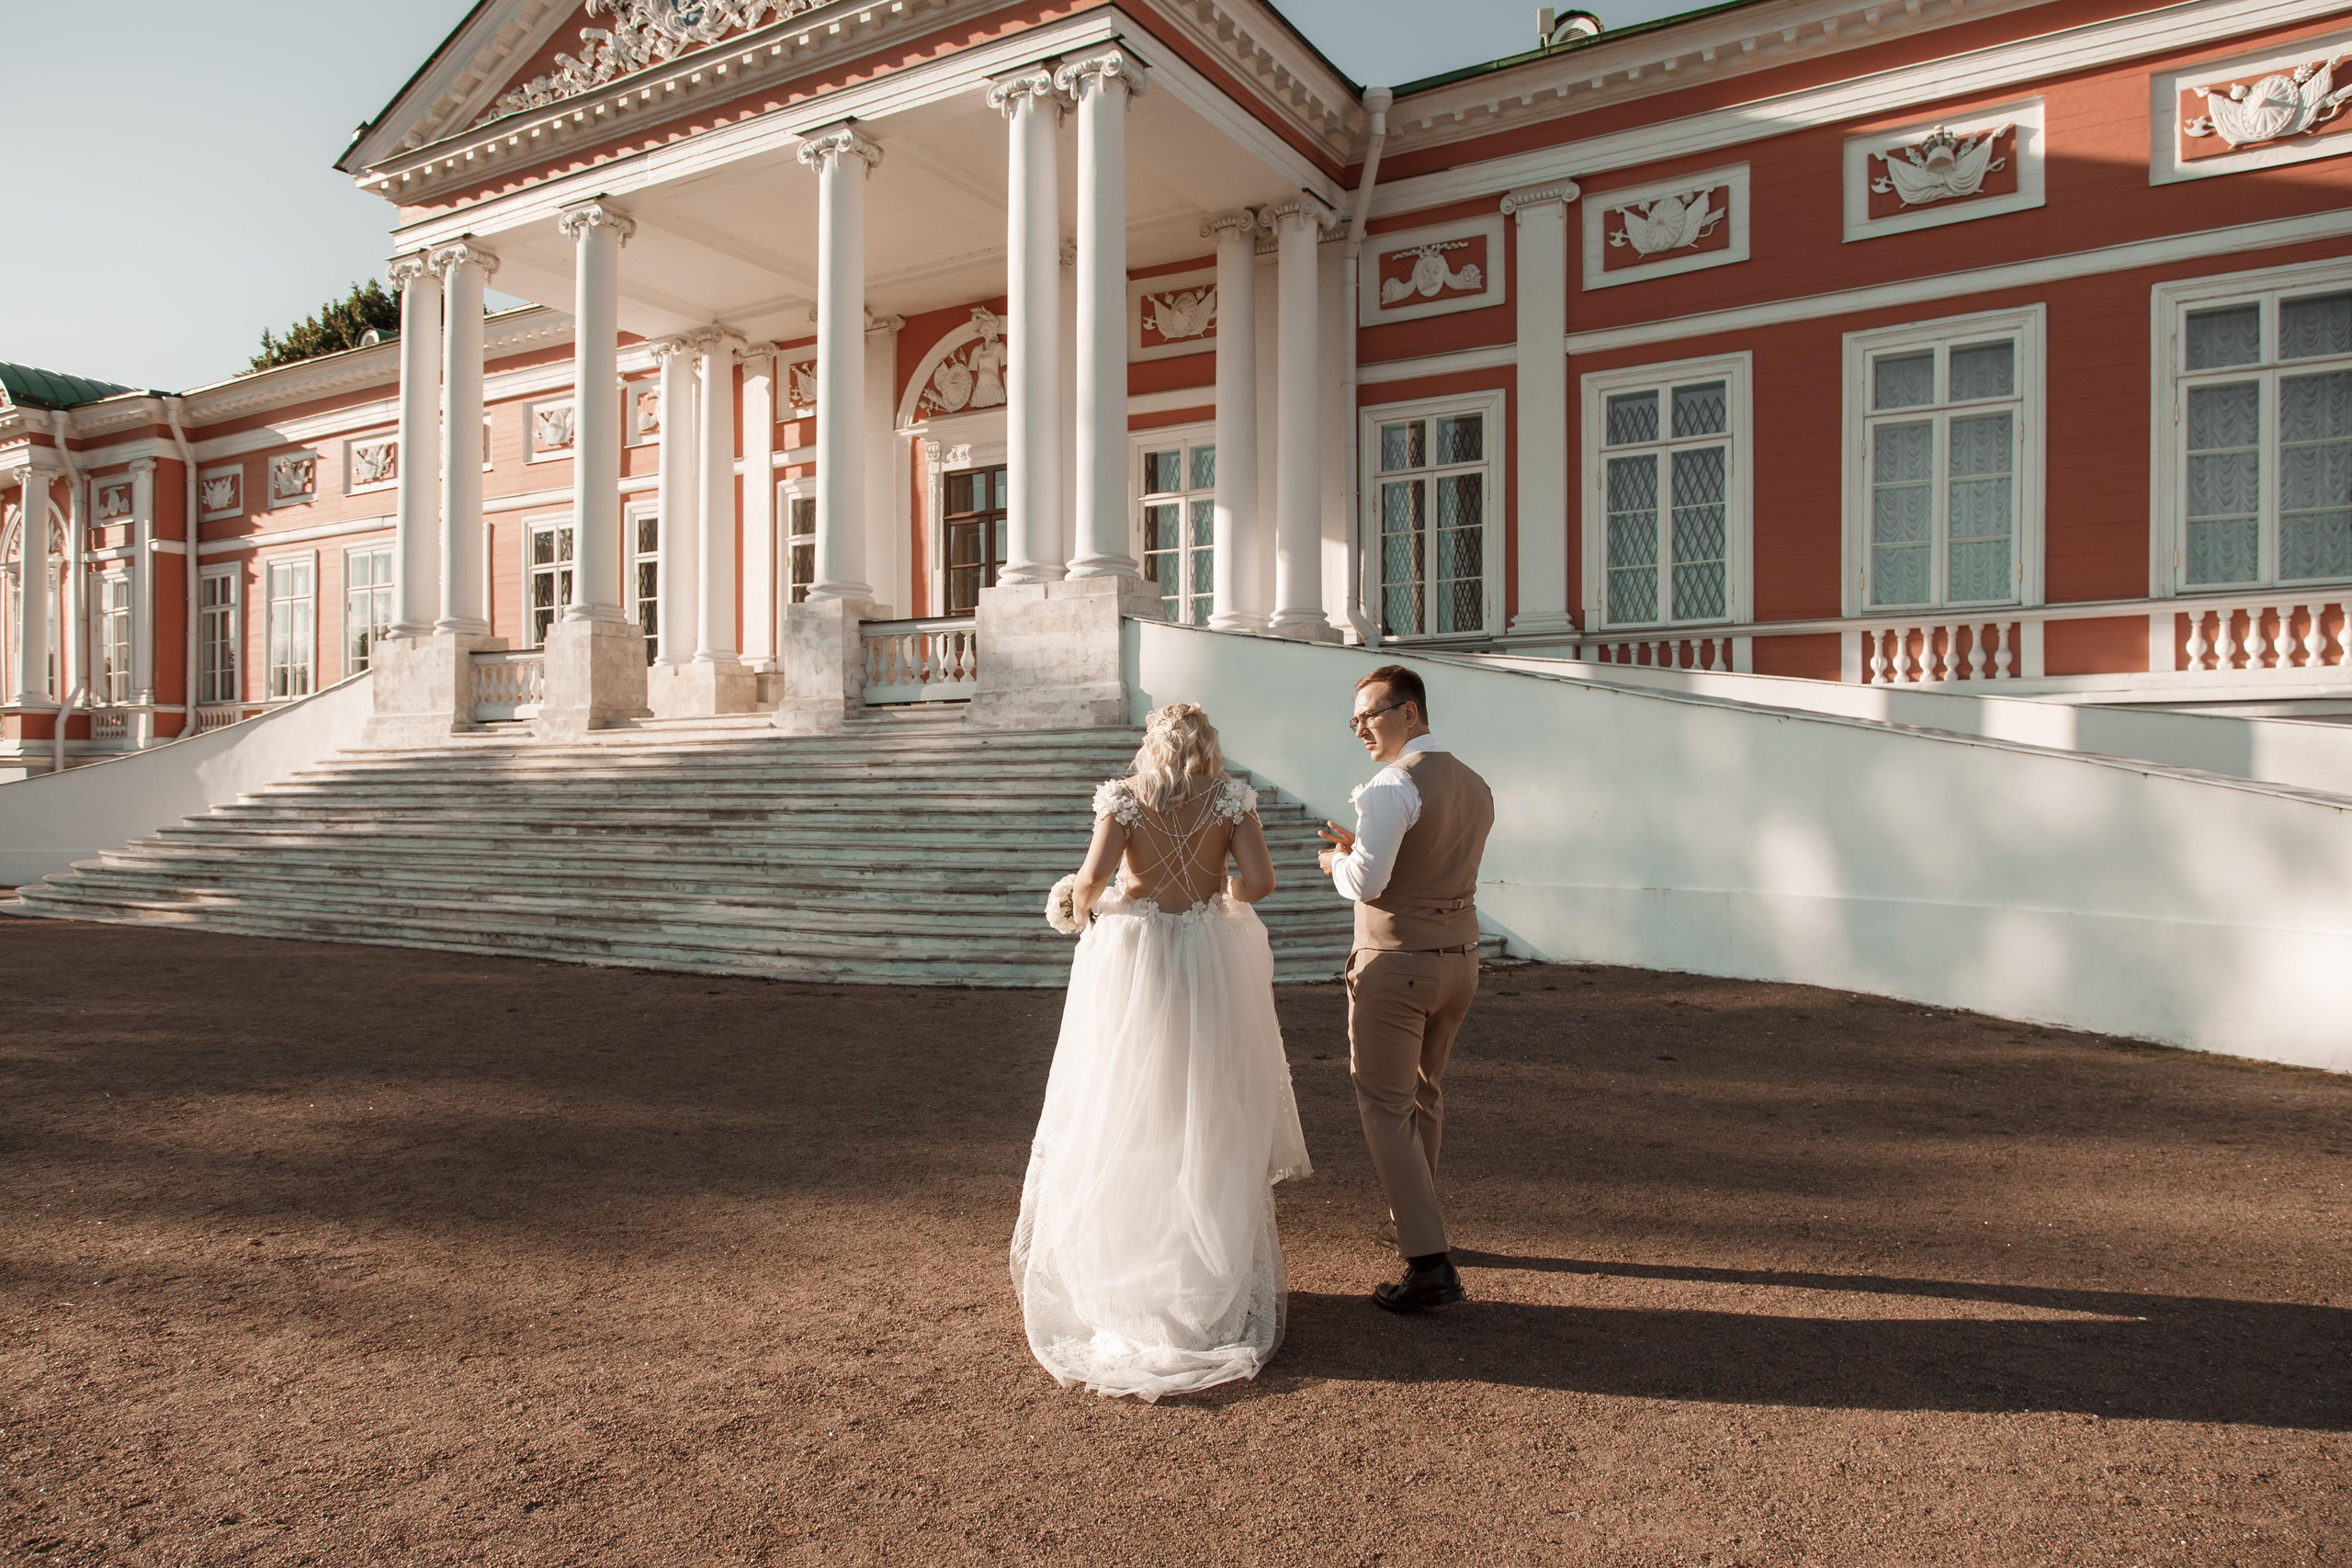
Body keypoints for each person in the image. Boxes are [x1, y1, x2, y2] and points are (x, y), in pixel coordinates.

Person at [1012, 703, 1311, 1401]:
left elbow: (1090, 884)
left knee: (1125, 1109)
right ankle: (1202, 1287)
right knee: (1205, 1110)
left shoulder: (1124, 799)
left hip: (1138, 961)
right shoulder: (1233, 799)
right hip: (1208, 959)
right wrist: (1219, 897)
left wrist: (1080, 902)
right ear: (1210, 743)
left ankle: (1130, 1280)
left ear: (1153, 743)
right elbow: (1261, 883)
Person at [1317, 664, 1496, 1313]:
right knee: (1425, 1092)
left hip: (1398, 964)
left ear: (1411, 713)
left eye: (1372, 713)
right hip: (1461, 960)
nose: (1361, 727)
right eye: (1356, 718)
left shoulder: (1393, 784)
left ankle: (1429, 1263)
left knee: (1385, 1105)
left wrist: (1338, 861)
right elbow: (1430, 858)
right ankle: (1411, 1218)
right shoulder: (1475, 784)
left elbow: (1367, 883)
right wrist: (1362, 847)